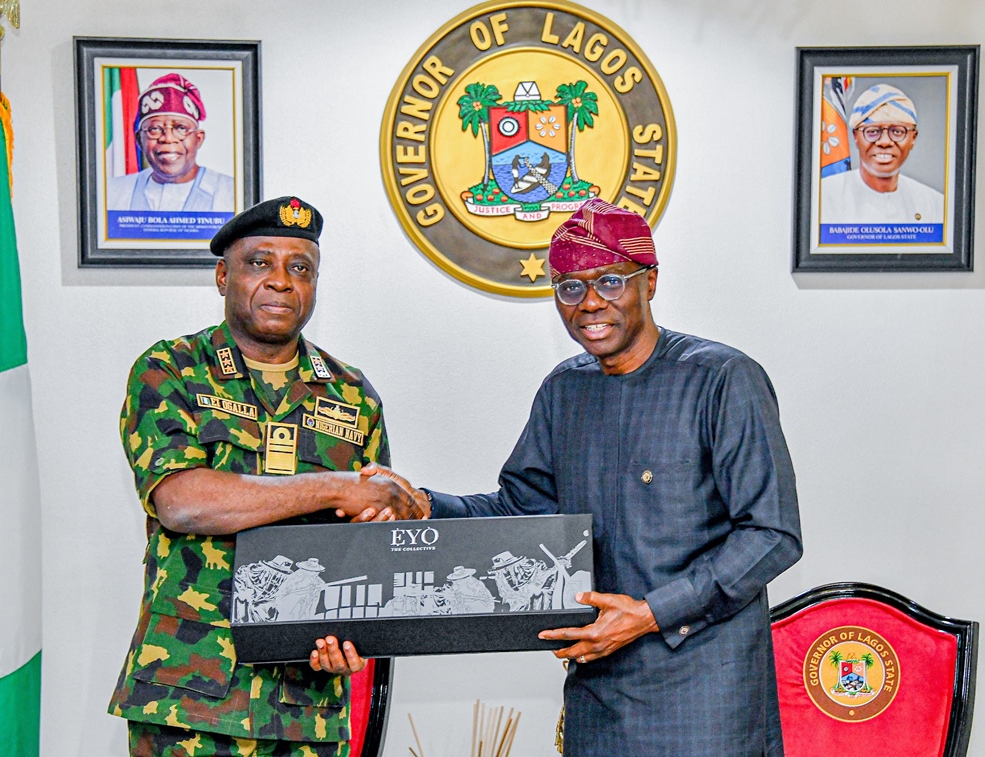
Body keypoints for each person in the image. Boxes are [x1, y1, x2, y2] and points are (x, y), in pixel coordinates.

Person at [367, 199, 803, 754]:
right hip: (597, 696)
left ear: (650, 281)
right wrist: (425, 506)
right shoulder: (564, 391)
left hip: (706, 699)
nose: (590, 302)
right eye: (569, 287)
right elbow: (522, 512)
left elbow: (772, 535)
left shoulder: (722, 379)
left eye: (611, 281)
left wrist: (649, 615)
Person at [109, 196, 424, 756]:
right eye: (260, 262)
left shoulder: (353, 395)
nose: (281, 281)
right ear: (222, 275)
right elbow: (183, 501)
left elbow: (370, 549)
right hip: (188, 699)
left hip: (305, 704)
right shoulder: (170, 369)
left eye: (300, 268)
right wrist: (336, 486)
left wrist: (357, 636)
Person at [107, 73, 235, 213]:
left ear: (198, 139)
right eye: (154, 129)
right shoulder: (112, 193)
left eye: (181, 128)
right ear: (139, 140)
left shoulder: (232, 193)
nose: (168, 138)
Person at [821, 83, 944, 224]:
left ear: (913, 138)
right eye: (872, 131)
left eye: (897, 131)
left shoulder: (934, 205)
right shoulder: (823, 198)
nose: (885, 142)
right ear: (855, 137)